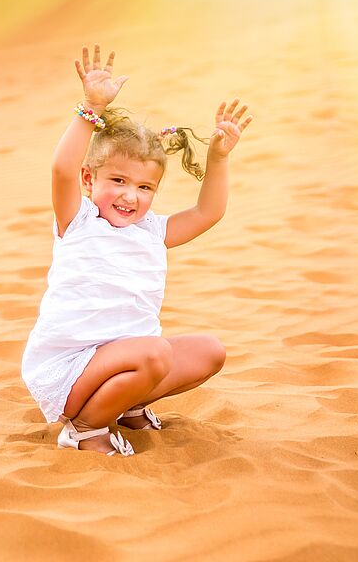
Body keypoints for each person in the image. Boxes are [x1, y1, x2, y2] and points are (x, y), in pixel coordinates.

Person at [21, 44, 253, 456]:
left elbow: (208, 211)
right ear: (90, 180)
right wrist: (90, 108)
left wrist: (218, 157)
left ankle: (128, 404)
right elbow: (61, 169)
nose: (131, 196)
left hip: (130, 362)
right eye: (118, 181)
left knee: (208, 352)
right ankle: (84, 428)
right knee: (153, 352)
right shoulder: (78, 220)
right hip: (70, 371)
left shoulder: (151, 230)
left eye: (145, 187)